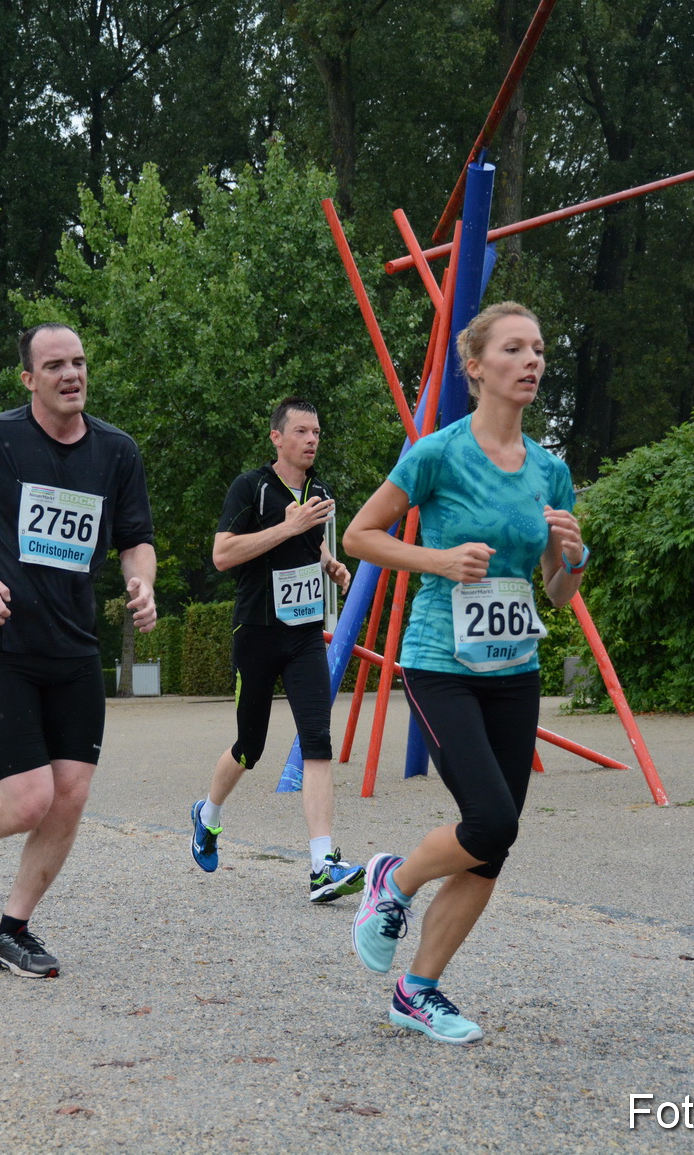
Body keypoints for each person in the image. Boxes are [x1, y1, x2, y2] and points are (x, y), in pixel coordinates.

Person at [342, 302, 586, 1045]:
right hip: (439, 658)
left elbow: (558, 592)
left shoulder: (551, 469)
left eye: (539, 349)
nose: (532, 361)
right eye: (514, 349)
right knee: (491, 819)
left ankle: (418, 990)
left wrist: (572, 555)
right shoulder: (437, 453)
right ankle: (395, 879)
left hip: (515, 665)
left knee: (494, 842)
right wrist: (439, 561)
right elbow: (361, 533)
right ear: (476, 366)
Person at [0, 321, 156, 979]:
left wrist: (143, 580)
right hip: (4, 644)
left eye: (78, 362)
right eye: (54, 366)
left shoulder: (117, 450)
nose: (71, 374)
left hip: (74, 650)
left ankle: (11, 928)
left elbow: (135, 536)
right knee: (27, 800)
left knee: (69, 796)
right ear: (28, 379)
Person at [187, 397, 363, 902]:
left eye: (317, 432)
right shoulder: (250, 488)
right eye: (303, 431)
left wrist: (329, 563)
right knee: (250, 746)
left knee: (316, 739)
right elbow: (222, 555)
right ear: (277, 438)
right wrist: (286, 526)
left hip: (306, 634)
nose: (312, 440)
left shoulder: (320, 491)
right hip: (258, 632)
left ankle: (322, 865)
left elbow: (309, 545)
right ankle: (208, 813)